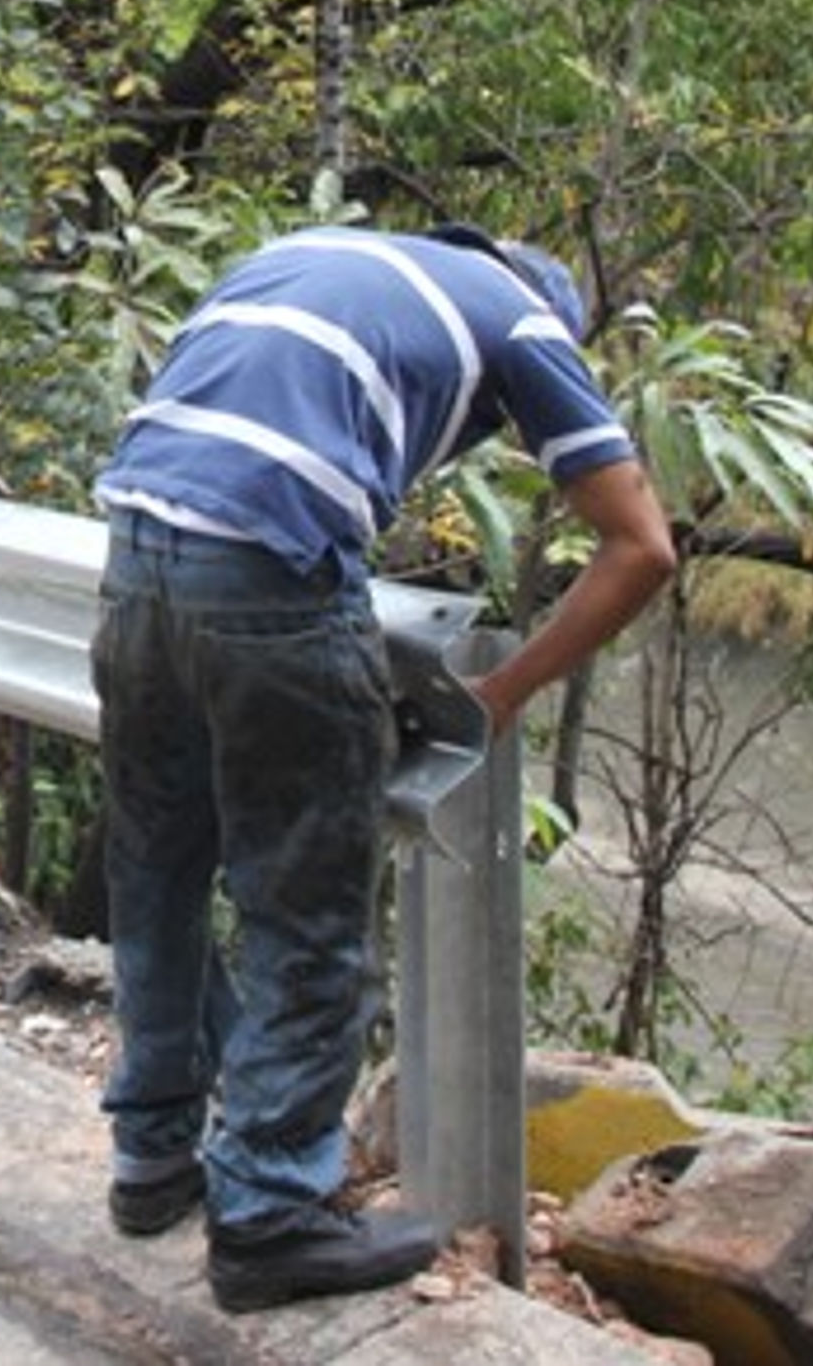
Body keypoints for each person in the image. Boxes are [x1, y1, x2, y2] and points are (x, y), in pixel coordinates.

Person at [89, 223, 675, 1313]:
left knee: (158, 876)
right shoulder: (524, 319)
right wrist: (496, 698)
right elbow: (642, 544)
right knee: (306, 912)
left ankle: (153, 1157)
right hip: (267, 574)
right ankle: (269, 1213)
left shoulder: (311, 251)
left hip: (133, 558)